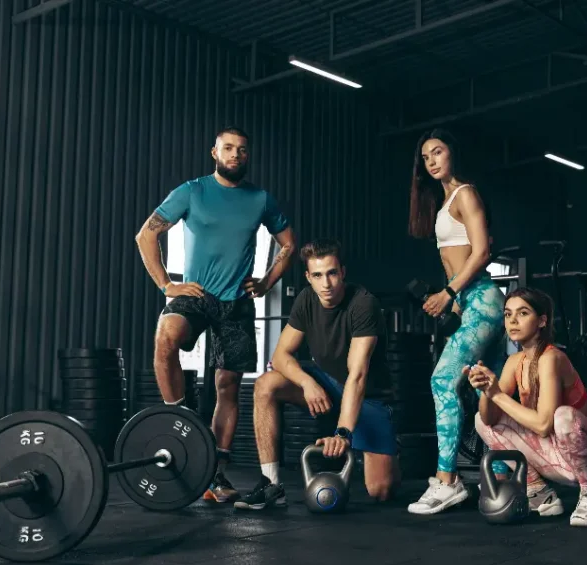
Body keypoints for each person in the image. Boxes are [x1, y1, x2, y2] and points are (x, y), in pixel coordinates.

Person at [135, 126, 296, 503]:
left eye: (242, 150)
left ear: (248, 155)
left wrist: (268, 281)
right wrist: (166, 285)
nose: (235, 155)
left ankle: (216, 475)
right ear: (214, 152)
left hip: (237, 302)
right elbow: (146, 234)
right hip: (196, 294)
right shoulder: (192, 190)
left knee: (227, 387)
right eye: (228, 148)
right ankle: (181, 424)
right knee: (165, 339)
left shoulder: (260, 199)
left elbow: (288, 244)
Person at [237, 239, 399, 509]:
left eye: (332, 273)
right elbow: (280, 356)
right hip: (325, 384)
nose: (326, 284)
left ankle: (390, 449)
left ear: (343, 273)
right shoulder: (307, 300)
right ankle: (272, 484)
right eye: (318, 275)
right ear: (308, 277)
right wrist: (307, 382)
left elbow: (357, 375)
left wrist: (344, 432)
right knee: (266, 384)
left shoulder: (363, 304)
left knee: (381, 491)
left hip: (368, 397)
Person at [406, 128, 508, 515]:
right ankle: (516, 480)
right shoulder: (445, 199)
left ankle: (446, 481)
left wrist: (449, 294)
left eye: (438, 152)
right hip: (471, 304)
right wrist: (453, 303)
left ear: (453, 154)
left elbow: (482, 252)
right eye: (426, 156)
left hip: (481, 299)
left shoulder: (465, 193)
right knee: (491, 393)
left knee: (442, 380)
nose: (432, 160)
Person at [466, 288, 587, 527]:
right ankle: (539, 491)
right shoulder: (514, 362)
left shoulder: (552, 358)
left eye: (523, 313)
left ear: (542, 320)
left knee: (563, 416)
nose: (513, 321)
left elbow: (543, 424)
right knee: (480, 418)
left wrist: (497, 394)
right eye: (508, 315)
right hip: (558, 459)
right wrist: (487, 391)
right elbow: (489, 421)